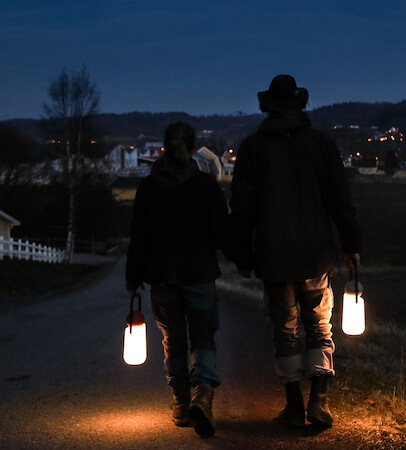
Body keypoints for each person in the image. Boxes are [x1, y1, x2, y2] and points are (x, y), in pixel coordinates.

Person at [227, 74, 362, 428]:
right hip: (316, 252)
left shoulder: (253, 148)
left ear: (267, 106)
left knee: (284, 329)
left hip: (273, 254)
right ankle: (318, 403)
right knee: (319, 325)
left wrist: (242, 256)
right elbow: (340, 200)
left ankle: (293, 406)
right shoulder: (321, 144)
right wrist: (351, 245)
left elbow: (241, 210)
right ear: (300, 104)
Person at [125, 121, 228, 436]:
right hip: (199, 274)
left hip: (162, 276)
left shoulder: (148, 188)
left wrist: (134, 276)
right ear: (193, 146)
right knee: (203, 338)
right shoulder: (206, 186)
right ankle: (204, 395)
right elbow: (222, 232)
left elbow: (138, 237)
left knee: (173, 340)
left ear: (164, 147)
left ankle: (181, 402)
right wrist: (246, 260)